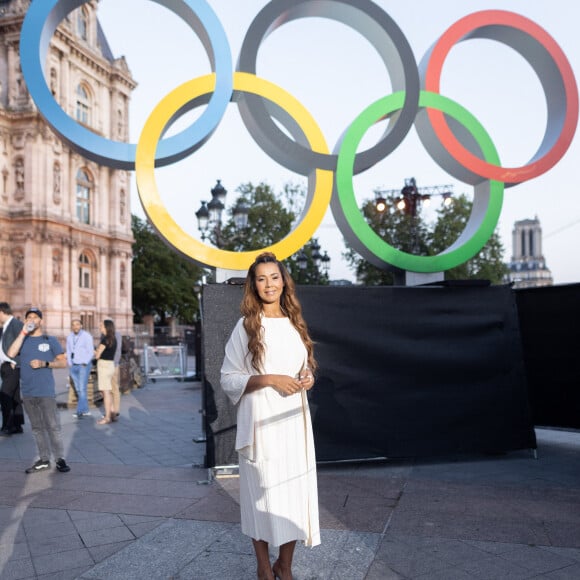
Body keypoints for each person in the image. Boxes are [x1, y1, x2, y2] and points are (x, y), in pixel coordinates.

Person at [220, 252, 320, 580]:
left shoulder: (294, 323)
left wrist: (307, 376)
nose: (269, 284)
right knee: (259, 496)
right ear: (254, 285)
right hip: (261, 423)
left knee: (292, 492)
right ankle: (264, 568)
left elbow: (303, 365)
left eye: (274, 277)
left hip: (292, 420)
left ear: (283, 281)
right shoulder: (246, 327)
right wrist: (270, 379)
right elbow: (227, 378)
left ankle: (285, 566)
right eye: (261, 279)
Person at [7, 307, 70, 473]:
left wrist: (45, 364)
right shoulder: (23, 340)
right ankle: (44, 459)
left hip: (46, 391)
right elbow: (11, 352)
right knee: (36, 428)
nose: (32, 319)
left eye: (35, 317)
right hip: (27, 392)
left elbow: (63, 362)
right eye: (29, 317)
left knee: (53, 426)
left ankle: (60, 459)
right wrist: (22, 332)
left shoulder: (50, 340)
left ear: (41, 321)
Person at [0, 302, 25, 436]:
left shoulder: (16, 324)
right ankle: (17, 425)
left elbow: (23, 342)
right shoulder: (4, 326)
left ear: (2, 312)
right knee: (14, 395)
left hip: (12, 365)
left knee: (5, 395)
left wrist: (16, 360)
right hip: (5, 366)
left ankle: (7, 426)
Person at [65, 319, 94, 419]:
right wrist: (70, 363)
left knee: (82, 388)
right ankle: (86, 410)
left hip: (83, 365)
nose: (75, 326)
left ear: (81, 325)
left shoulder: (87, 336)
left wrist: (85, 363)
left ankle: (79, 411)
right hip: (73, 366)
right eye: (73, 325)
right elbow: (68, 351)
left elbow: (91, 351)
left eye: (77, 324)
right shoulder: (69, 337)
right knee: (79, 389)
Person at [94, 319, 117, 425]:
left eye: (101, 326)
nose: (100, 327)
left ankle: (107, 417)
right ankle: (112, 413)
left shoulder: (105, 340)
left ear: (106, 327)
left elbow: (97, 355)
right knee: (106, 391)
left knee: (105, 392)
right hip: (110, 365)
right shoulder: (113, 339)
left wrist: (95, 351)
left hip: (103, 366)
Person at [109, 321, 123, 420]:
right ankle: (111, 409)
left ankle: (115, 410)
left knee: (114, 388)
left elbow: (117, 350)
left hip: (112, 364)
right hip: (109, 364)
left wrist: (114, 362)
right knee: (108, 389)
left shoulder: (117, 335)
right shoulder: (104, 335)